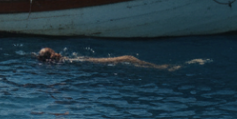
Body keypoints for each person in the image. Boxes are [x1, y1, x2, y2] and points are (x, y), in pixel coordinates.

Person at [36, 48, 205, 71]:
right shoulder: (62, 61)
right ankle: (161, 68)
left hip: (89, 60)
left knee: (128, 58)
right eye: (52, 51)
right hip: (93, 62)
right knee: (128, 58)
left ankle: (161, 67)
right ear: (51, 56)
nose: (56, 52)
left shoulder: (61, 60)